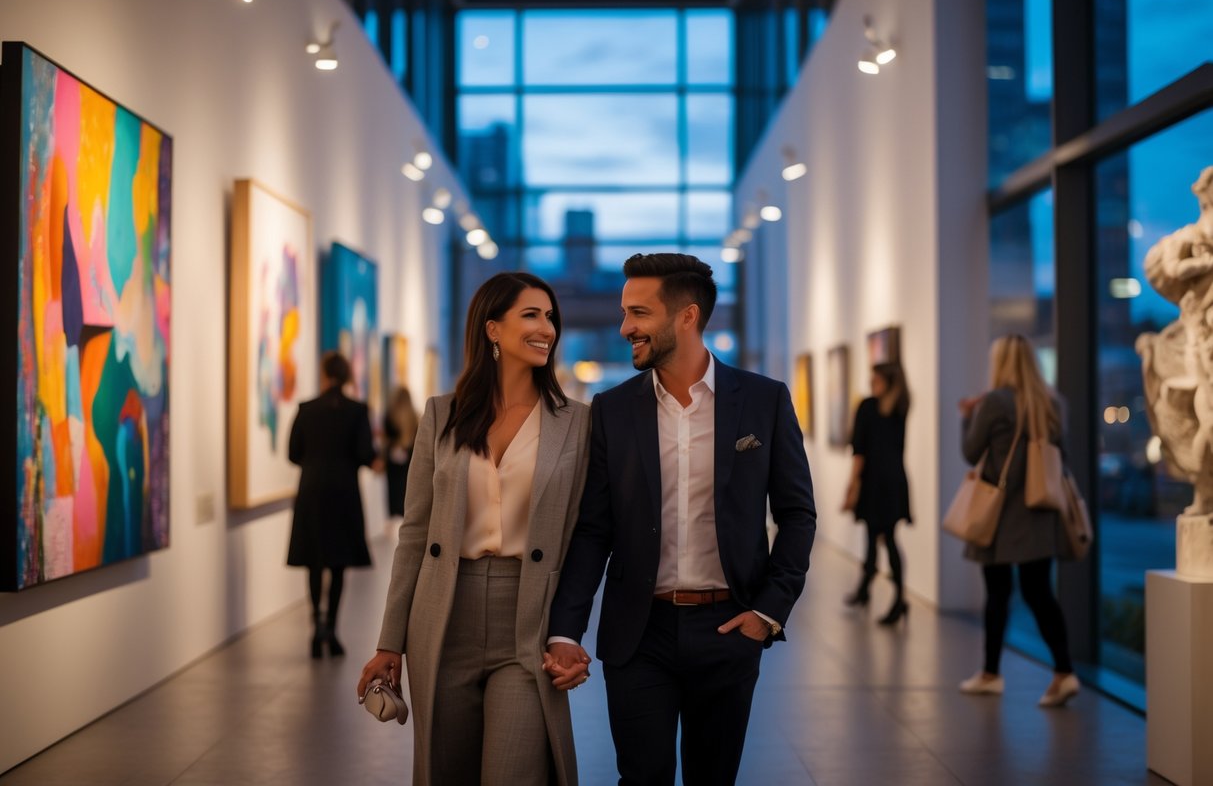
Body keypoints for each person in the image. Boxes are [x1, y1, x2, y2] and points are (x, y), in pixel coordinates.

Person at [544, 253, 817, 786]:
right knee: (641, 777)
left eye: (638, 314)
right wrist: (564, 629)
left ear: (687, 316)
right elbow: (594, 528)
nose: (625, 328)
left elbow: (798, 514)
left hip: (729, 627)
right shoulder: (613, 410)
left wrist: (768, 611)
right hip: (638, 634)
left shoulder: (763, 401)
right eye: (625, 314)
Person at [358, 272, 591, 786]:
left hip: (527, 619)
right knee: (447, 772)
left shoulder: (577, 422)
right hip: (443, 616)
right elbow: (415, 533)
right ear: (492, 328)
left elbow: (587, 535)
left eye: (550, 317)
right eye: (531, 315)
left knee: (515, 771)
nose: (547, 328)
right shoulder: (442, 416)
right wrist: (388, 641)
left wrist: (568, 632)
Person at [957, 334, 1080, 707]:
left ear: (1002, 363)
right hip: (1040, 513)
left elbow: (970, 452)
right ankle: (1064, 672)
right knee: (1040, 593)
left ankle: (991, 674)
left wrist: (968, 418)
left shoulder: (994, 402)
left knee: (998, 593)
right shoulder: (1053, 402)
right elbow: (1063, 457)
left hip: (999, 513)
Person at [287, 350, 377, 659]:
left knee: (314, 561)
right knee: (337, 564)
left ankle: (317, 625)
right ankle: (334, 631)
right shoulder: (357, 410)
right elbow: (366, 453)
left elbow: (293, 452)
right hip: (343, 492)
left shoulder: (307, 409)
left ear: (325, 374)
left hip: (312, 490)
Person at [842, 361, 912, 625]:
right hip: (895, 482)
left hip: (874, 483)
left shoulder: (868, 406)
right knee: (883, 538)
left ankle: (893, 599)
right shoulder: (901, 407)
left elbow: (859, 452)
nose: (872, 385)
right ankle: (884, 595)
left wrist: (851, 486)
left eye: (876, 381)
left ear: (887, 382)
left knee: (878, 538)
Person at [383, 385, 419, 523]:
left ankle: (393, 515)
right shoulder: (415, 416)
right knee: (407, 486)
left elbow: (386, 437)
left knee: (393, 489)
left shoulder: (390, 414)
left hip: (392, 460)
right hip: (410, 458)